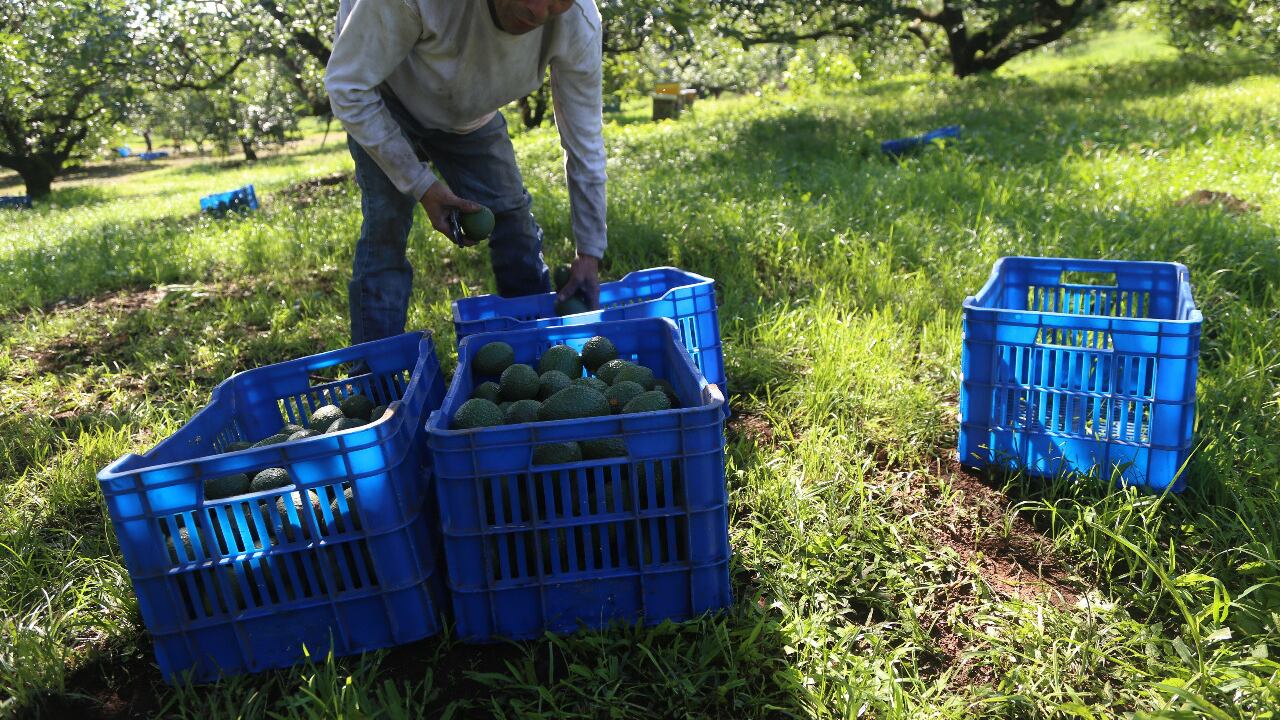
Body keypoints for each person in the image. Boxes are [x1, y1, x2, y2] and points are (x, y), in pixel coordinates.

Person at [325, 0, 607, 345]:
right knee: (386, 225)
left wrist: (589, 253)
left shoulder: (579, 23)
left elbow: (585, 143)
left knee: (512, 220)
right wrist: (421, 185)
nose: (538, 11)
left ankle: (538, 348)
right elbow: (347, 86)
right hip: (382, 94)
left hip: (470, 113)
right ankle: (378, 369)